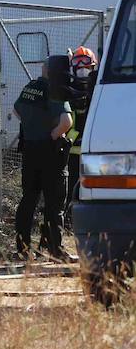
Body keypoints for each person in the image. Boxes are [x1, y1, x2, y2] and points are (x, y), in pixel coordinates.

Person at [14, 54, 74, 259]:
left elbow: (16, 110)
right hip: (49, 152)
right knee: (54, 203)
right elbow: (67, 122)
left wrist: (33, 126)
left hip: (29, 150)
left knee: (28, 200)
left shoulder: (30, 87)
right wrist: (53, 134)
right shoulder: (55, 90)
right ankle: (55, 249)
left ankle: (22, 249)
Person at [65, 46, 98, 221]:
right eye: (79, 67)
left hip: (94, 151)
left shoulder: (98, 91)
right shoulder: (68, 91)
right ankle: (70, 220)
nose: (83, 71)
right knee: (72, 189)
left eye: (87, 67)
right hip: (73, 152)